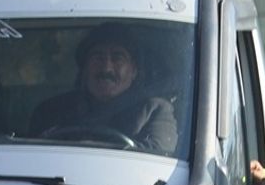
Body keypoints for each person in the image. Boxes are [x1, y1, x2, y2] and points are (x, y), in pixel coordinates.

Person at [28, 22, 177, 155]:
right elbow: (30, 158)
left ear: (134, 71)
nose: (107, 68)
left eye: (117, 58)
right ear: (85, 68)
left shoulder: (156, 110)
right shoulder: (50, 110)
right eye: (98, 57)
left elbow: (156, 159)